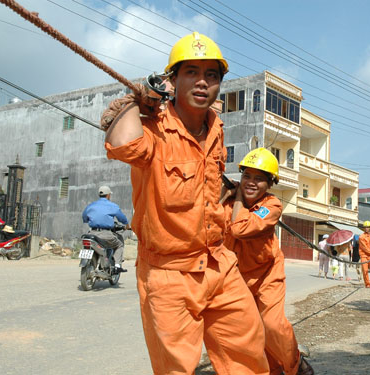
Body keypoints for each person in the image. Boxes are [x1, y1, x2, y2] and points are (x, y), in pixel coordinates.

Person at [103, 32, 269, 374]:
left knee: (248, 349)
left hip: (218, 263)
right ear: (172, 80)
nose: (201, 82)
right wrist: (135, 102)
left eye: (211, 75)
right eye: (191, 72)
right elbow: (122, 145)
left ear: (219, 83)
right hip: (169, 274)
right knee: (176, 367)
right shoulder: (153, 128)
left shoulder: (216, 128)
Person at [221, 147, 314, 375]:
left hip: (266, 276)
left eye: (259, 179)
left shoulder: (271, 207)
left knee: (273, 325)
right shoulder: (229, 203)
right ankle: (272, 370)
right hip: (237, 278)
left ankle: (295, 365)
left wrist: (239, 198)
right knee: (250, 331)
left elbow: (241, 228)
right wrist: (223, 197)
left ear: (270, 184)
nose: (251, 183)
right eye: (247, 177)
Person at [82, 185, 129, 273]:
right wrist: (127, 225)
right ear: (108, 195)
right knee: (119, 245)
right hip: (106, 234)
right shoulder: (112, 206)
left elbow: (85, 218)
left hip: (92, 233)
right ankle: (117, 265)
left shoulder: (91, 205)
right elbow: (122, 218)